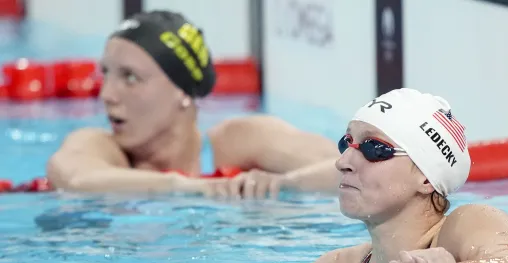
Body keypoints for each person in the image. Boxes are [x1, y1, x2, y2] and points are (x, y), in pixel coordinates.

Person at [46, 10, 340, 199]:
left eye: (131, 77)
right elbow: (72, 177)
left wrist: (283, 185)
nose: (107, 94)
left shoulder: (240, 141)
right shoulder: (100, 147)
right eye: (106, 74)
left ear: (182, 90)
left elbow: (351, 168)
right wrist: (184, 187)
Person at [309, 88, 508, 263]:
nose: (343, 162)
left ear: (426, 178)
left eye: (374, 148)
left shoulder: (464, 226)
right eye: (346, 142)